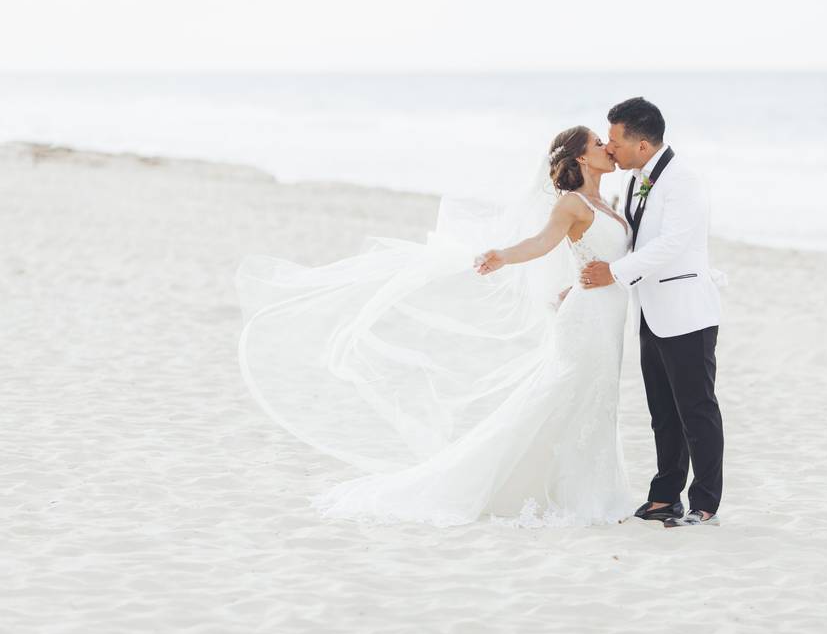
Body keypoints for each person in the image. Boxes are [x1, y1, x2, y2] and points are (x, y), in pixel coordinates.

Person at [235, 125, 639, 527]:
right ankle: (574, 498)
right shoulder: (570, 204)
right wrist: (502, 255)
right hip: (585, 322)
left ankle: (594, 492)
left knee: (596, 402)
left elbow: (601, 254)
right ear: (582, 157)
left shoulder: (607, 203)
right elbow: (540, 243)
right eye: (597, 143)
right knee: (570, 397)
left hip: (605, 316)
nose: (606, 148)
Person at [580, 97, 725, 527]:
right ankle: (665, 496)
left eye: (615, 141)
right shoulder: (633, 182)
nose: (610, 148)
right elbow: (633, 241)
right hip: (650, 310)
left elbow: (673, 244)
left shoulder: (683, 181)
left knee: (696, 409)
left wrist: (615, 273)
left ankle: (706, 502)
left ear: (642, 145)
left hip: (687, 311)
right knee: (662, 410)